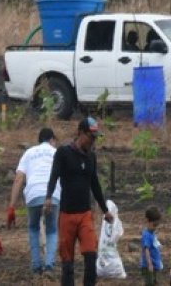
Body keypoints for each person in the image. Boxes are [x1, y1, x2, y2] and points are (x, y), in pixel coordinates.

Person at [45, 116, 114, 286]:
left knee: (91, 256)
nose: (93, 141)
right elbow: (54, 176)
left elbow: (95, 184)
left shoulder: (91, 157)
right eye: (91, 137)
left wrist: (105, 210)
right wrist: (48, 197)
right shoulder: (63, 153)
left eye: (95, 138)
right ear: (80, 133)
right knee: (67, 263)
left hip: (85, 214)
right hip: (67, 214)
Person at [7, 127, 62, 275]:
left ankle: (36, 266)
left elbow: (18, 178)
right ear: (51, 140)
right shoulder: (57, 152)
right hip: (54, 195)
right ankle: (49, 265)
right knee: (51, 230)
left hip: (33, 194)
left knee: (33, 228)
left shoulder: (29, 153)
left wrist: (11, 206)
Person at [141, 207, 163, 285]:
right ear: (148, 221)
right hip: (149, 266)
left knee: (155, 282)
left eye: (157, 225)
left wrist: (159, 246)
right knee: (149, 283)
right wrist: (149, 264)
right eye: (154, 225)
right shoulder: (146, 234)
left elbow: (154, 243)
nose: (155, 227)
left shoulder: (152, 232)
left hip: (155, 264)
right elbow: (146, 249)